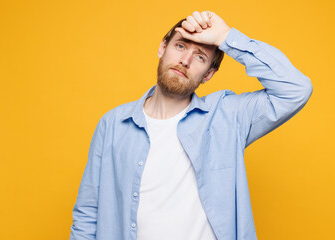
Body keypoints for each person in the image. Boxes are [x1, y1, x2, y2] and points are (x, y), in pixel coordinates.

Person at [70, 10, 313, 240]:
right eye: (180, 46)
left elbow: (296, 90)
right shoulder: (113, 124)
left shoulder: (227, 117)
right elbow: (88, 213)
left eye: (200, 57)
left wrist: (226, 37)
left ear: (208, 74)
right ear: (162, 48)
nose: (185, 61)